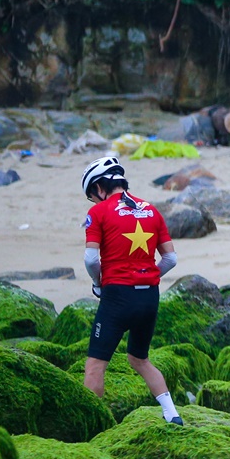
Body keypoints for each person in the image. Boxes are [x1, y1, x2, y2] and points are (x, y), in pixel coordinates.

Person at [79, 155, 183, 423]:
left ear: (100, 187)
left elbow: (91, 259)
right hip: (149, 296)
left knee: (95, 366)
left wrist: (97, 283)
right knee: (140, 359)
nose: (94, 200)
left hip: (117, 297)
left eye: (93, 194)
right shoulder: (151, 210)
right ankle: (172, 415)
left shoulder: (99, 212)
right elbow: (171, 259)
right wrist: (148, 277)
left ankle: (93, 428)